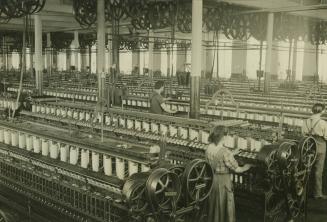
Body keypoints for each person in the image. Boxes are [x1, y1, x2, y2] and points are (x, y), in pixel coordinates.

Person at [206, 125, 252, 222]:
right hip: (223, 182)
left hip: (213, 180)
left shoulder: (209, 147)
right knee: (225, 205)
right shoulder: (225, 152)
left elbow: (218, 158)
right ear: (224, 137)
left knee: (214, 205)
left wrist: (232, 154)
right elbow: (237, 169)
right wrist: (246, 167)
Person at [302, 103, 327, 199]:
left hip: (308, 146)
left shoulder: (306, 121)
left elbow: (303, 134)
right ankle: (317, 193)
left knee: (307, 168)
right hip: (320, 146)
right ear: (322, 111)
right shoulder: (323, 123)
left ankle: (304, 191)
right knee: (318, 170)